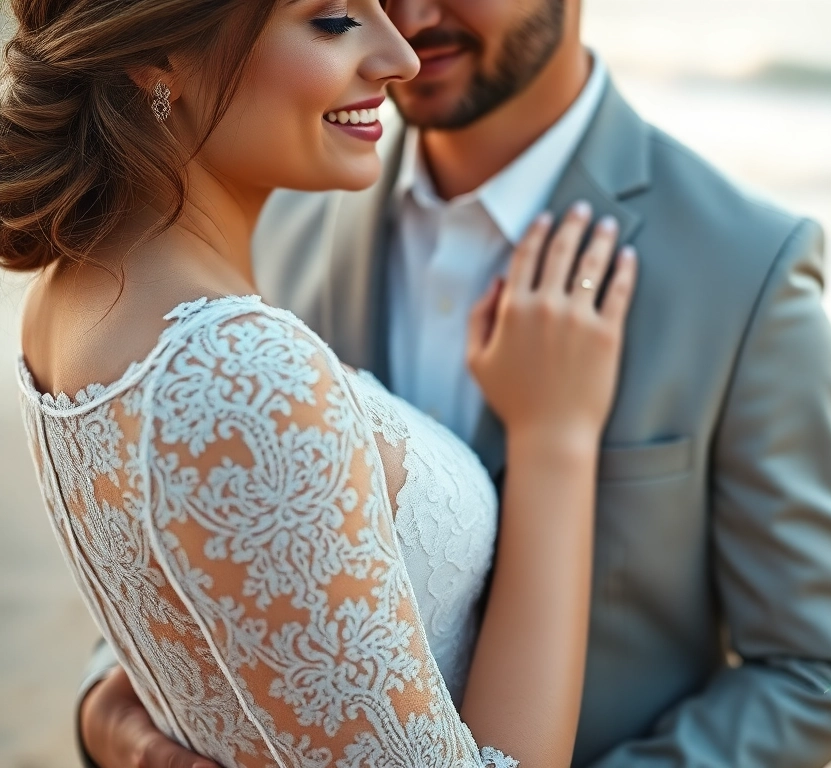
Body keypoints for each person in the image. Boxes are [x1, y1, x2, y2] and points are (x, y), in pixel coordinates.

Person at [69, 0, 831, 766]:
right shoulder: (273, 210)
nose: (412, 20)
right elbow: (196, 519)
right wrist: (114, 712)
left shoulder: (742, 268)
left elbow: (820, 670)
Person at [4, 0, 635, 765]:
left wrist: (122, 724)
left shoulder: (75, 295)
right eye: (334, 20)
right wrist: (554, 440)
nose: (400, 57)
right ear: (157, 58)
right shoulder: (238, 373)